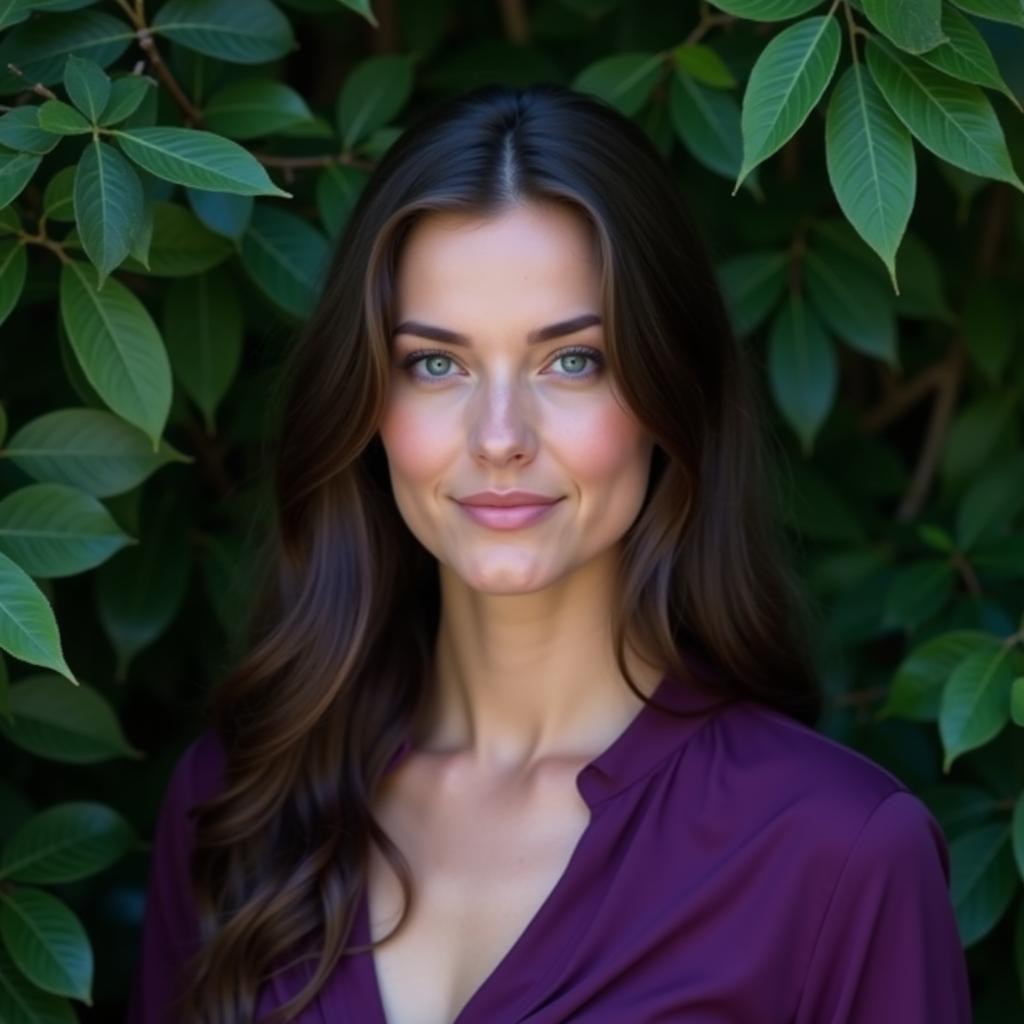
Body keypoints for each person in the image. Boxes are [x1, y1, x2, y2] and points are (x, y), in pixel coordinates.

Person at [125, 83, 972, 1024]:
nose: (499, 436)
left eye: (572, 360)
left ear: (667, 392)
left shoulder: (839, 855)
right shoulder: (239, 800)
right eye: (435, 363)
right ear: (368, 402)